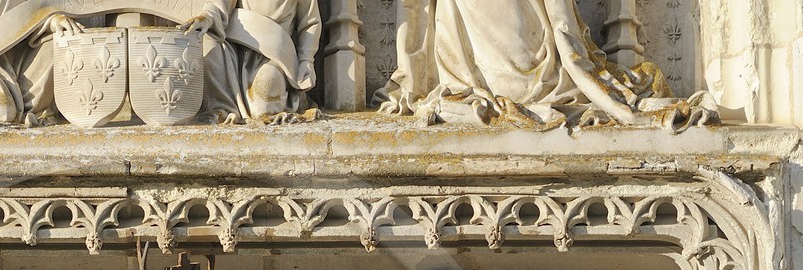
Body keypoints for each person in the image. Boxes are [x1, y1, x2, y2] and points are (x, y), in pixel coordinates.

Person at [373, 0, 714, 129]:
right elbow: (567, 39)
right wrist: (623, 106)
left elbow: (412, 19)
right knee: (646, 78)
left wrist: (410, 86)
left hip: (474, 81)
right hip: (539, 82)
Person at [191, 0, 321, 121]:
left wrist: (306, 60)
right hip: (236, 49)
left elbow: (310, 23)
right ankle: (222, 108)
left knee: (263, 110)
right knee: (209, 46)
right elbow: (219, 3)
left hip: (275, 56)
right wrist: (207, 17)